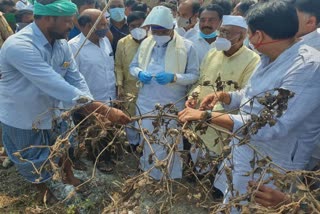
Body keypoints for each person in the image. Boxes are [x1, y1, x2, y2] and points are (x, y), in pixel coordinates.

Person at [178, 1, 320, 208]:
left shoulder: (308, 68)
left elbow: (272, 124)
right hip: (246, 150)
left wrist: (206, 117)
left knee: (254, 207)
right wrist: (226, 97)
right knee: (234, 201)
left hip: (272, 162)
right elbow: (251, 94)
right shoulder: (269, 57)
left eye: (250, 34)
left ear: (258, 36)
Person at [0, 0, 130, 203]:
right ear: (48, 19)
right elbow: (52, 83)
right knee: (32, 159)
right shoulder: (19, 46)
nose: (72, 26)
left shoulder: (61, 43)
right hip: (25, 117)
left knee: (63, 147)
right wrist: (101, 109)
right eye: (68, 21)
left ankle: (68, 176)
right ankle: (44, 192)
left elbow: (74, 76)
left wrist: (92, 109)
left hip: (56, 111)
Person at [130, 6, 199, 179]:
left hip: (171, 103)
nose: (158, 34)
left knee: (169, 141)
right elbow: (133, 66)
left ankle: (168, 176)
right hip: (146, 102)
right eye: (155, 30)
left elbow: (194, 75)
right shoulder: (146, 43)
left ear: (172, 29)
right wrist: (139, 73)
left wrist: (174, 77)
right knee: (147, 140)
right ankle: (147, 171)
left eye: (162, 31)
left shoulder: (188, 47)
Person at [69, 8, 116, 102]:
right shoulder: (73, 47)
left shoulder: (105, 41)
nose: (106, 28)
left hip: (112, 101)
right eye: (102, 25)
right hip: (90, 105)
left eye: (107, 24)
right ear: (88, 26)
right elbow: (72, 80)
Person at [115, 11, 147, 148]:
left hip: (149, 86)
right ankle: (133, 143)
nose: (137, 29)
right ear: (128, 27)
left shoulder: (152, 41)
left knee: (146, 115)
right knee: (130, 116)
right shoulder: (122, 42)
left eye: (140, 25)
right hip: (129, 86)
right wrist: (119, 85)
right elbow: (118, 65)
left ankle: (145, 143)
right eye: (133, 26)